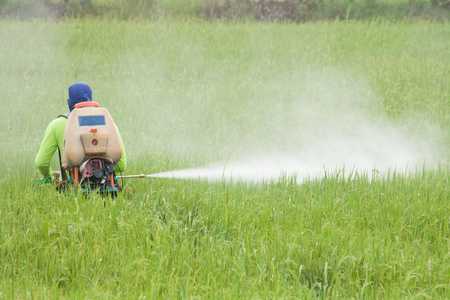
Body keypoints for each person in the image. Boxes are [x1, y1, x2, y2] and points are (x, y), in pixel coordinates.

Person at [35, 82, 126, 184]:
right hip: (105, 185)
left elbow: (41, 163)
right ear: (90, 99)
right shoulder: (107, 123)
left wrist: (50, 176)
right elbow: (122, 165)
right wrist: (103, 172)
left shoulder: (56, 124)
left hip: (69, 187)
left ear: (70, 101)